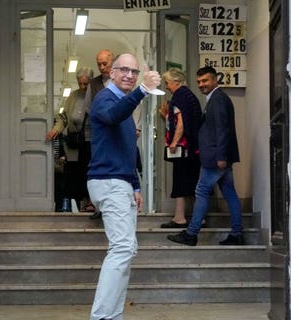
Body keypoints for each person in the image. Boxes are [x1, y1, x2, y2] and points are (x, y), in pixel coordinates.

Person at [87, 53, 162, 320]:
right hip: (108, 181)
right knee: (121, 248)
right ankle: (102, 317)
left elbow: (128, 150)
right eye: (124, 70)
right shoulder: (105, 99)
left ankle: (112, 315)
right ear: (111, 73)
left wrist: (135, 185)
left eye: (134, 71)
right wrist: (143, 90)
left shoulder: (124, 104)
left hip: (121, 181)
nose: (129, 75)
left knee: (126, 249)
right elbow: (111, 116)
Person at [167, 66, 244, 246]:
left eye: (205, 81)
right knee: (229, 193)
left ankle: (191, 233)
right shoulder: (217, 99)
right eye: (199, 81)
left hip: (215, 158)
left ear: (215, 80)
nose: (202, 85)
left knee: (201, 191)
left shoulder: (217, 100)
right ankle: (237, 233)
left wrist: (221, 157)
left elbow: (222, 130)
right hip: (219, 156)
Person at [158, 68, 202, 228]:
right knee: (193, 182)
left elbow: (181, 122)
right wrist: (166, 117)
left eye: (168, 83)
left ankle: (179, 217)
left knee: (181, 181)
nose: (167, 86)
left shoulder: (179, 97)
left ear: (176, 82)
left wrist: (173, 143)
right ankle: (199, 217)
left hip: (184, 149)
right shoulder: (190, 96)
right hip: (194, 148)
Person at [46, 67, 94, 211]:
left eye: (86, 84)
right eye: (80, 83)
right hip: (75, 142)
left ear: (91, 82)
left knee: (90, 171)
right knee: (75, 173)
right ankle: (81, 203)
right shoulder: (72, 97)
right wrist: (55, 130)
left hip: (92, 141)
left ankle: (90, 202)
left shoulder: (97, 96)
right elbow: (64, 118)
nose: (83, 87)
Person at [84, 49, 114, 218]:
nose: (102, 67)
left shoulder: (121, 79)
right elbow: (88, 107)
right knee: (99, 168)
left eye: (105, 63)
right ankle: (99, 207)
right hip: (99, 133)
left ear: (113, 61)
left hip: (117, 133)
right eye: (99, 64)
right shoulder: (93, 84)